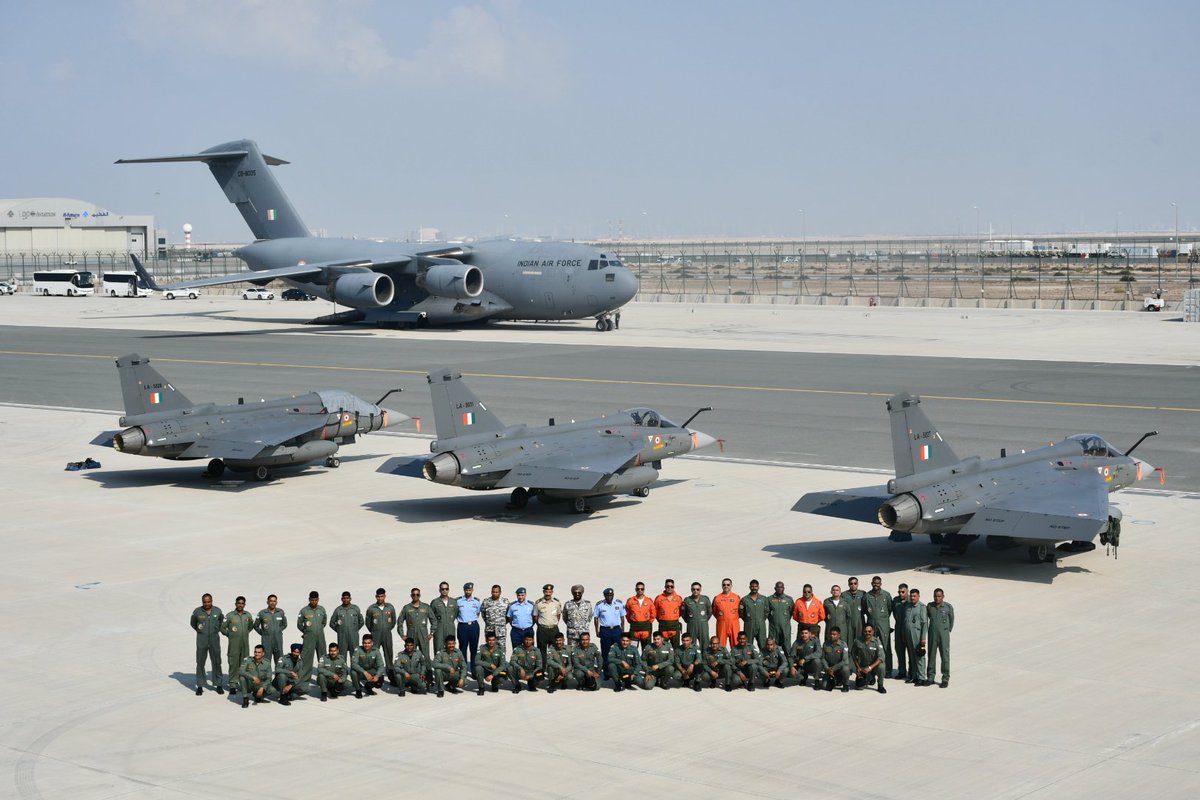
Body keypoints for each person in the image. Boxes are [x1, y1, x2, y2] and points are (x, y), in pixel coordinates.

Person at [190, 593, 224, 695]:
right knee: (200, 662)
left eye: (208, 601)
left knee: (217, 662)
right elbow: (193, 623)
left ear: (212, 601)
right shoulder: (197, 611)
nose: (207, 604)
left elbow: (221, 621)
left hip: (214, 640)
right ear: (202, 602)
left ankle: (218, 685)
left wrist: (215, 630)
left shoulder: (217, 611)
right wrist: (201, 631)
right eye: (205, 602)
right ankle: (200, 685)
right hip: (202, 640)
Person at [221, 596, 253, 695]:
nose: (240, 605)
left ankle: (245, 684)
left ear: (244, 604)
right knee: (233, 664)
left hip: (245, 644)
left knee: (245, 664)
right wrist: (229, 635)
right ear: (235, 604)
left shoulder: (247, 615)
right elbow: (222, 628)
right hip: (234, 644)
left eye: (242, 603)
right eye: (238, 603)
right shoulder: (230, 616)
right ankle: (233, 684)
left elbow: (250, 626)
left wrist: (245, 632)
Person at [863, 576, 894, 675]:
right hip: (871, 624)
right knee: (872, 646)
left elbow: (889, 609)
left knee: (886, 646)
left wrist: (883, 619)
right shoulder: (867, 596)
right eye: (874, 583)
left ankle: (888, 669)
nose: (876, 585)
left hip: (883, 624)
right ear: (872, 583)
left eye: (878, 583)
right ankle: (873, 669)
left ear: (881, 584)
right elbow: (864, 609)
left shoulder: (886, 595)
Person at [365, 588, 397, 682]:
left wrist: (388, 628)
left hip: (387, 634)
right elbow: (368, 622)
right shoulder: (371, 608)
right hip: (375, 634)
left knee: (388, 654)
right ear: (376, 597)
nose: (380, 598)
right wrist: (374, 631)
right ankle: (374, 675)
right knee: (374, 654)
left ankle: (391, 675)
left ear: (385, 596)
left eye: (382, 596)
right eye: (378, 596)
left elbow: (393, 620)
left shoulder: (390, 607)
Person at [330, 591, 364, 675]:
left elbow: (361, 621)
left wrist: (355, 630)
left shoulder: (355, 608)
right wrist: (339, 631)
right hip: (342, 637)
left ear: (350, 598)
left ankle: (355, 671)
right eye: (344, 598)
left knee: (355, 654)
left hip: (354, 636)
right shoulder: (338, 610)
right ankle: (343, 672)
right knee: (342, 655)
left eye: (347, 598)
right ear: (341, 599)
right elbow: (331, 623)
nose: (345, 600)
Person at [927, 588, 954, 688]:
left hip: (944, 635)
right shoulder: (930, 606)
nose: (937, 598)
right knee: (931, 656)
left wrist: (946, 630)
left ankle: (945, 678)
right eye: (935, 596)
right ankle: (930, 677)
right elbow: (928, 617)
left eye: (939, 596)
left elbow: (951, 619)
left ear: (943, 596)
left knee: (945, 657)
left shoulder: (947, 607)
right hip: (932, 635)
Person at [297, 590, 327, 680]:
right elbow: (299, 624)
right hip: (309, 638)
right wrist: (306, 632)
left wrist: (318, 629)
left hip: (320, 637)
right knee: (307, 658)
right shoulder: (304, 610)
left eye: (316, 600)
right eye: (312, 600)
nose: (314, 602)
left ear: (318, 599)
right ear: (309, 599)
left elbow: (324, 622)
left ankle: (323, 677)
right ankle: (305, 678)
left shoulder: (321, 609)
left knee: (322, 657)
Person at [903, 588, 929, 686]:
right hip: (908, 634)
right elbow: (905, 621)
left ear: (918, 596)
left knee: (919, 656)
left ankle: (921, 677)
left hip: (917, 635)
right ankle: (914, 676)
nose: (913, 598)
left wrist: (923, 638)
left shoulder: (922, 607)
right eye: (911, 596)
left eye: (915, 596)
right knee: (911, 656)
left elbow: (924, 624)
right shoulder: (908, 606)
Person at [593, 587, 625, 665]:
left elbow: (622, 617)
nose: (609, 597)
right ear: (604, 596)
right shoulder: (599, 605)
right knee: (605, 650)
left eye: (611, 595)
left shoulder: (619, 604)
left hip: (616, 629)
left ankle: (617, 669)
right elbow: (596, 618)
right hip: (605, 630)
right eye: (607, 595)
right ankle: (607, 672)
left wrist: (622, 630)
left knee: (617, 650)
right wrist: (597, 631)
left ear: (613, 595)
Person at [852, 623, 887, 694]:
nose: (867, 633)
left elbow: (881, 657)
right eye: (865, 631)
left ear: (873, 631)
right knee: (859, 686)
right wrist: (858, 667)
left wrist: (870, 668)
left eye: (869, 631)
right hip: (863, 668)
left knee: (882, 667)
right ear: (863, 631)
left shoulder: (877, 642)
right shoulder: (857, 641)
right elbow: (853, 654)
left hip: (874, 666)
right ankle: (870, 678)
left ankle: (880, 685)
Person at [401, 587, 434, 660]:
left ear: (420, 595)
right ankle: (411, 670)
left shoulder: (426, 607)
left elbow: (434, 621)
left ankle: (427, 669)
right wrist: (402, 635)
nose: (415, 596)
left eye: (417, 594)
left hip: (423, 635)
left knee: (425, 654)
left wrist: (431, 633)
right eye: (414, 594)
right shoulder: (406, 608)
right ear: (411, 595)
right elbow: (399, 622)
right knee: (410, 654)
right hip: (411, 634)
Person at [254, 594, 287, 666]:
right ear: (267, 602)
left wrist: (278, 630)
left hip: (278, 640)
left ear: (276, 602)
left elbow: (285, 624)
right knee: (266, 660)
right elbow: (256, 626)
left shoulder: (280, 612)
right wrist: (263, 633)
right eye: (271, 601)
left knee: (279, 660)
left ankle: (279, 677)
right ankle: (266, 677)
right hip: (267, 641)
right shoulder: (262, 613)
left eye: (274, 601)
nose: (272, 603)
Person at [456, 582, 482, 671]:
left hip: (473, 626)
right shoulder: (458, 601)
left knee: (474, 648)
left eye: (469, 590)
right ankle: (463, 669)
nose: (468, 591)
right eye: (466, 590)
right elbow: (456, 613)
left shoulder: (476, 601)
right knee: (462, 648)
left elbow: (478, 613)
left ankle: (474, 669)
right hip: (462, 627)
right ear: (464, 590)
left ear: (472, 590)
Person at [351, 633, 386, 698]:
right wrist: (364, 672)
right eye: (365, 643)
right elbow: (353, 664)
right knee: (353, 672)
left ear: (372, 643)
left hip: (371, 671)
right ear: (362, 643)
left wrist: (377, 676)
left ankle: (368, 687)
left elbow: (381, 666)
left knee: (380, 679)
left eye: (368, 643)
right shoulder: (358, 649)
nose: (366, 645)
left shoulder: (376, 651)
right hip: (361, 672)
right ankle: (358, 690)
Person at [480, 584, 511, 657]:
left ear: (500, 592)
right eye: (493, 592)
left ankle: (502, 665)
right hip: (490, 629)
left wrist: (502, 623)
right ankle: (490, 665)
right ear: (491, 592)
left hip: (501, 630)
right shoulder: (486, 601)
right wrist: (489, 622)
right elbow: (483, 614)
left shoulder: (505, 602)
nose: (495, 593)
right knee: (489, 648)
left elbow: (508, 615)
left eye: (497, 592)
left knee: (501, 648)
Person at [429, 581, 459, 654]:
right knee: (438, 647)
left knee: (451, 647)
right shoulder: (435, 602)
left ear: (448, 590)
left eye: (446, 589)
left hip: (450, 627)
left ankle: (451, 664)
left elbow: (456, 613)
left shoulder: (453, 602)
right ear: (439, 590)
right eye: (442, 589)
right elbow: (431, 616)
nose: (444, 591)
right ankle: (438, 664)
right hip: (439, 628)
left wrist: (449, 621)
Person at [739, 579, 769, 651]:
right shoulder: (745, 599)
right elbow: (741, 612)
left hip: (761, 624)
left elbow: (766, 611)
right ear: (750, 587)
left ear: (758, 587)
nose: (754, 588)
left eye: (756, 586)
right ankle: (749, 660)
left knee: (763, 643)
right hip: (749, 624)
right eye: (752, 586)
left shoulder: (763, 599)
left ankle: (764, 660)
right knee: (748, 643)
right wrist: (747, 620)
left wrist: (761, 619)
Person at [534, 583, 563, 656]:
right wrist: (542, 625)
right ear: (543, 592)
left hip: (554, 629)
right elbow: (535, 616)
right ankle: (543, 667)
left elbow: (558, 615)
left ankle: (553, 667)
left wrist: (553, 623)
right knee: (541, 650)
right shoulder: (538, 603)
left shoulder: (556, 602)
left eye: (549, 592)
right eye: (546, 592)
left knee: (554, 650)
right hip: (542, 630)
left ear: (552, 592)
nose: (548, 594)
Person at [625, 582, 656, 650]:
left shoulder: (649, 601)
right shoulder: (630, 601)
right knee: (632, 648)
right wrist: (632, 621)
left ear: (644, 590)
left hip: (646, 628)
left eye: (642, 589)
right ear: (635, 589)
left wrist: (648, 622)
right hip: (634, 628)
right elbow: (627, 613)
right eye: (638, 589)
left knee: (646, 649)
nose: (640, 590)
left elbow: (653, 614)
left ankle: (645, 661)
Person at [767, 581, 795, 653]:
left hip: (785, 627)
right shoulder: (769, 599)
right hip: (773, 627)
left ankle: (788, 662)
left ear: (784, 588)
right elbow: (767, 613)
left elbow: (791, 612)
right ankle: (774, 662)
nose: (779, 589)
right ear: (775, 588)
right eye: (778, 587)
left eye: (781, 587)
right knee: (773, 645)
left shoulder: (789, 599)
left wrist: (784, 619)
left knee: (786, 644)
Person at [712, 578, 741, 649]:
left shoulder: (737, 597)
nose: (726, 586)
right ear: (722, 586)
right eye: (724, 585)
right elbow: (714, 611)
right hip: (722, 623)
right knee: (720, 644)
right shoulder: (717, 598)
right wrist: (721, 618)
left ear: (731, 586)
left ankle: (736, 659)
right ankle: (720, 659)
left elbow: (741, 611)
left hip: (734, 623)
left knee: (736, 643)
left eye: (728, 584)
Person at [654, 579, 684, 647]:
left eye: (671, 586)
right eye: (668, 586)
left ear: (674, 587)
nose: (669, 588)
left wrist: (673, 618)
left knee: (676, 647)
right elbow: (655, 612)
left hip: (674, 625)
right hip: (663, 626)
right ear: (665, 587)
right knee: (662, 647)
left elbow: (681, 611)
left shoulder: (678, 598)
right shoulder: (659, 598)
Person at [681, 582, 712, 646]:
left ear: (700, 590)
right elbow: (683, 614)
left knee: (705, 643)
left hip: (703, 625)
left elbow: (710, 612)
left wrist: (704, 619)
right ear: (691, 590)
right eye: (694, 589)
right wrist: (689, 621)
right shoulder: (687, 600)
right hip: (692, 625)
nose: (695, 591)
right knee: (691, 644)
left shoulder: (705, 599)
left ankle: (704, 656)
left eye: (697, 589)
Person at [562, 584, 593, 649]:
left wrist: (583, 625)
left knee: (584, 652)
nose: (577, 594)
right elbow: (565, 617)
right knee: (572, 652)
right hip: (572, 634)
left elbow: (590, 616)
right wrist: (572, 625)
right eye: (575, 592)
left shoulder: (587, 604)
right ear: (572, 593)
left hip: (584, 633)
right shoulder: (568, 604)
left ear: (582, 593)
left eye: (579, 592)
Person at [821, 628, 852, 692]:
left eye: (834, 634)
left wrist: (833, 668)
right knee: (824, 686)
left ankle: (846, 685)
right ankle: (835, 680)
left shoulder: (843, 645)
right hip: (829, 669)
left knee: (846, 669)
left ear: (839, 635)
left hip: (839, 668)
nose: (832, 636)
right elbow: (823, 658)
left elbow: (844, 661)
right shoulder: (826, 644)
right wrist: (827, 668)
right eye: (831, 634)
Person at [506, 587, 535, 652]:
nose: (521, 597)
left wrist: (529, 625)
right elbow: (510, 618)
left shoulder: (531, 605)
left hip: (528, 630)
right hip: (516, 631)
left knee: (530, 651)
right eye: (519, 595)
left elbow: (534, 617)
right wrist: (515, 625)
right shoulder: (512, 606)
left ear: (525, 595)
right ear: (516, 595)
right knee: (516, 650)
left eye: (522, 595)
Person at [892, 583, 910, 679]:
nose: (900, 594)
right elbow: (894, 613)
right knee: (899, 650)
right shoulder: (896, 600)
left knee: (910, 651)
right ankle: (902, 671)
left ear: (907, 591)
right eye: (899, 592)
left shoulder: (912, 600)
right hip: (898, 628)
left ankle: (911, 672)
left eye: (903, 592)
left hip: (908, 629)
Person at [842, 577, 866, 643]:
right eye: (851, 583)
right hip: (848, 621)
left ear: (858, 584)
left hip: (860, 621)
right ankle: (850, 653)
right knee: (849, 640)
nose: (853, 585)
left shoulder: (863, 594)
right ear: (848, 584)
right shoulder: (843, 595)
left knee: (860, 640)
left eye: (855, 583)